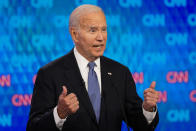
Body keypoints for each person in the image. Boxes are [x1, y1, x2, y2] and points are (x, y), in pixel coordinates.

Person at [27, 4, 159, 131]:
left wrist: (147, 109)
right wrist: (59, 114)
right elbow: (33, 127)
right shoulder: (50, 74)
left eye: (104, 29)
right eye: (93, 30)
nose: (101, 37)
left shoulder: (120, 72)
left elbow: (139, 125)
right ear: (74, 34)